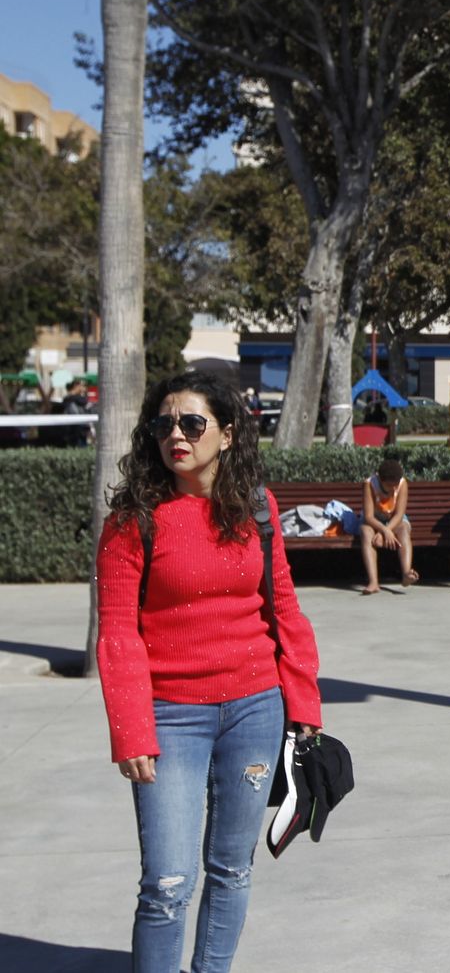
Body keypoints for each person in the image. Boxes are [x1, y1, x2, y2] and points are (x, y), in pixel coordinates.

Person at [96, 370, 322, 972]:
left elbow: (284, 606)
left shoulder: (256, 508)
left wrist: (303, 707)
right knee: (168, 883)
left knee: (231, 868)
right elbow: (118, 632)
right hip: (170, 719)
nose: (177, 434)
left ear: (225, 434)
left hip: (254, 709)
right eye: (164, 424)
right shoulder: (131, 521)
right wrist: (131, 729)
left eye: (192, 423)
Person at [359, 457, 418, 595]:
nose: (393, 489)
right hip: (373, 520)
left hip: (394, 519)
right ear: (380, 480)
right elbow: (368, 516)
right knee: (366, 532)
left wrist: (385, 532)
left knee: (404, 529)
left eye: (395, 485)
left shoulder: (402, 484)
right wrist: (384, 530)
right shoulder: (369, 484)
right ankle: (373, 582)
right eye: (389, 486)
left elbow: (399, 514)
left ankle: (406, 573)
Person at [60, 377, 93, 447]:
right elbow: (83, 402)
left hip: (81, 433)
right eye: (82, 385)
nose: (84, 388)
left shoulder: (75, 399)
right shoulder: (70, 400)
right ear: (75, 386)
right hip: (75, 433)